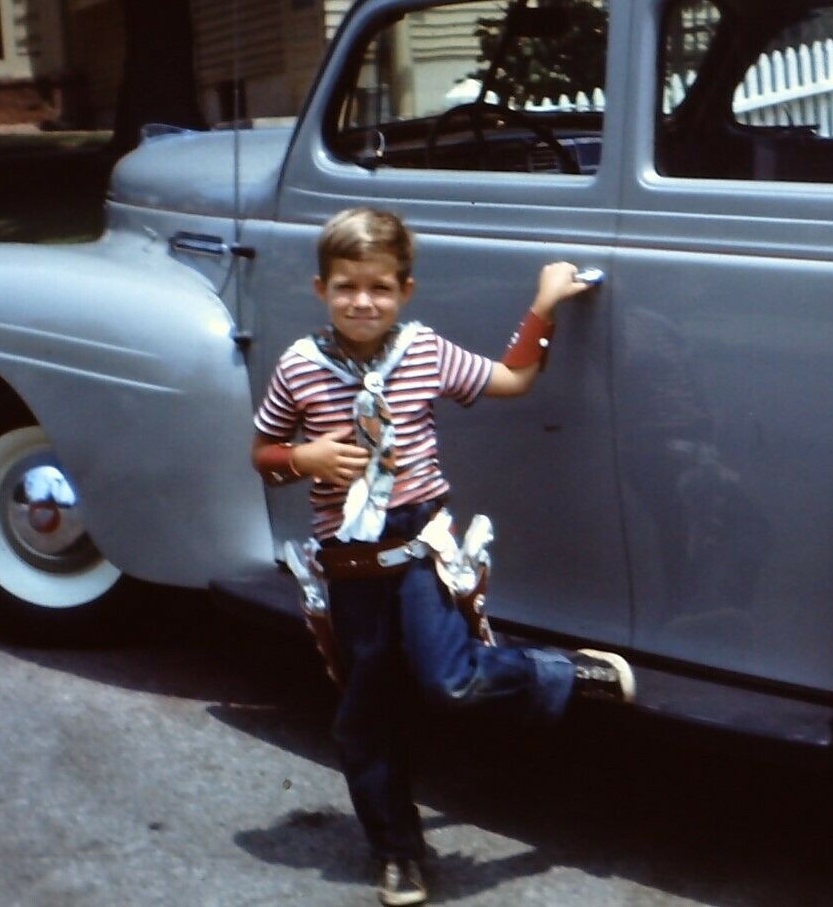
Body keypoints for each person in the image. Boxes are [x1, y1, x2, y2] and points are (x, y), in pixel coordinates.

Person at [250, 207, 633, 907]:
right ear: (319, 289)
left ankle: (561, 673)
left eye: (380, 288)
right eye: (345, 287)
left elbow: (513, 379)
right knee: (366, 717)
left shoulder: (424, 352)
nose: (362, 302)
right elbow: (263, 455)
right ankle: (398, 852)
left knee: (450, 682)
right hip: (350, 567)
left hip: (418, 550)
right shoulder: (299, 368)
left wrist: (544, 305)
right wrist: (301, 457)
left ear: (406, 291)